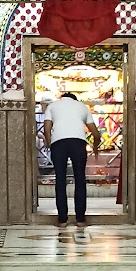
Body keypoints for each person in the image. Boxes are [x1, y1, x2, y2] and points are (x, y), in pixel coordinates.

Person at [43, 90, 101, 228]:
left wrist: (50, 143)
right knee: (80, 179)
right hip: (78, 143)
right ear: (75, 99)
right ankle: (80, 219)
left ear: (62, 98)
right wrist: (95, 146)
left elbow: (46, 129)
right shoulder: (82, 107)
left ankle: (62, 220)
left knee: (61, 180)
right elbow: (95, 133)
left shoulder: (52, 106)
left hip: (59, 144)